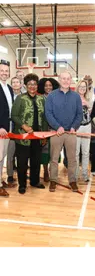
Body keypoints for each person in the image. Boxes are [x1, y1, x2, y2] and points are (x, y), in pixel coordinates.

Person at [45, 71, 83, 193]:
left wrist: (74, 126)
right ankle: (53, 180)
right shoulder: (52, 96)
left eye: (68, 79)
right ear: (59, 80)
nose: (66, 81)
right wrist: (57, 127)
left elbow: (79, 114)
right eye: (63, 78)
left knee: (72, 159)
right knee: (54, 158)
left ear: (71, 80)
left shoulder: (76, 96)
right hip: (56, 132)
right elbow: (48, 113)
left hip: (71, 132)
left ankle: (72, 181)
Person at [11, 74, 48, 194]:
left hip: (37, 137)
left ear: (37, 86)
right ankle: (22, 185)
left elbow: (45, 118)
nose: (32, 86)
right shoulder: (20, 99)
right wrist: (24, 126)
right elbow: (14, 116)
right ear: (26, 86)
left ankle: (34, 181)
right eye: (30, 84)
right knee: (22, 162)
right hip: (23, 137)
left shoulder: (42, 99)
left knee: (36, 161)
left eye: (34, 84)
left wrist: (44, 135)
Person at [37, 77, 60, 182]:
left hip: (55, 128)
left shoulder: (57, 97)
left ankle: (53, 170)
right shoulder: (40, 98)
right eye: (46, 85)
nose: (48, 87)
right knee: (44, 150)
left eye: (50, 85)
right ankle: (45, 170)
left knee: (55, 150)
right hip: (44, 129)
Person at [0, 60, 15, 197]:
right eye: (2, 71)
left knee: (3, 156)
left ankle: (0, 180)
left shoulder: (9, 88)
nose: (4, 73)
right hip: (1, 129)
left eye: (6, 71)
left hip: (8, 128)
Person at [6, 76, 22, 184]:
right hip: (11, 129)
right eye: (13, 82)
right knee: (10, 154)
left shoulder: (24, 96)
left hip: (22, 130)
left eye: (17, 82)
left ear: (21, 84)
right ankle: (10, 175)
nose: (15, 84)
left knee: (22, 155)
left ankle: (22, 174)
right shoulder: (8, 96)